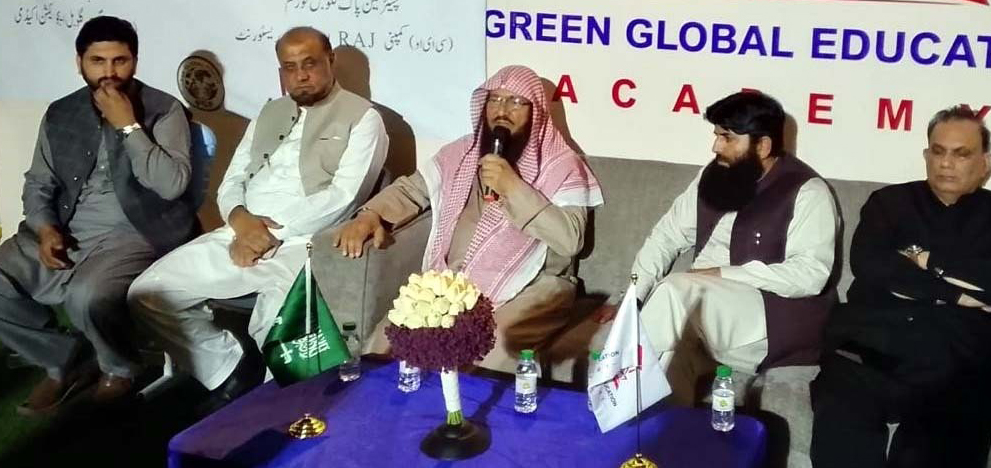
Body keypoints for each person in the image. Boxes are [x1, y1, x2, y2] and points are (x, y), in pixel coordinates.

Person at [128, 27, 388, 409]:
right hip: (240, 233)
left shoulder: (364, 118)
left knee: (278, 326)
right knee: (148, 293)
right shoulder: (269, 112)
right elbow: (231, 181)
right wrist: (240, 221)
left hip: (304, 242)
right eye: (290, 67)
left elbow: (344, 197)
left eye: (310, 64)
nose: (300, 75)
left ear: (330, 61)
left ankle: (273, 409)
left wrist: (269, 235)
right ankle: (227, 369)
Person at [334, 65, 602, 372]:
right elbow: (412, 190)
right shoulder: (463, 152)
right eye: (495, 100)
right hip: (455, 281)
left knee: (492, 347)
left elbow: (570, 241)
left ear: (536, 111)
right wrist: (371, 214)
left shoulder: (560, 165)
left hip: (536, 284)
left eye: (516, 102)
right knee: (388, 339)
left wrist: (513, 187)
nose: (502, 110)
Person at [810, 106, 991, 468]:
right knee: (841, 429)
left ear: (985, 163)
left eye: (961, 154)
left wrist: (925, 260)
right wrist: (957, 293)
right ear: (926, 155)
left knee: (936, 449)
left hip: (957, 364)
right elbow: (871, 267)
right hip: (869, 347)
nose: (946, 163)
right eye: (938, 151)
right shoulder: (888, 204)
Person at [0, 16, 194, 415]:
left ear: (135, 61)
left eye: (120, 61)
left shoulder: (164, 110)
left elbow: (171, 185)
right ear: (79, 63)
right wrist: (45, 228)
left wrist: (129, 126)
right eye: (97, 61)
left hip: (136, 232)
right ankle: (63, 359)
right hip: (65, 227)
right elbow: (39, 183)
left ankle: (119, 367)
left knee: (87, 296)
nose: (109, 72)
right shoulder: (61, 112)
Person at [596, 91, 838, 404]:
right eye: (716, 135)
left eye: (727, 138)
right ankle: (651, 427)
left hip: (767, 318)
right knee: (669, 362)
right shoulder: (713, 175)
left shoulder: (808, 192)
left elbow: (811, 275)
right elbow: (667, 236)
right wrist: (633, 297)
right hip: (703, 310)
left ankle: (611, 402)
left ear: (762, 146)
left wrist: (722, 274)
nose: (715, 147)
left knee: (673, 290)